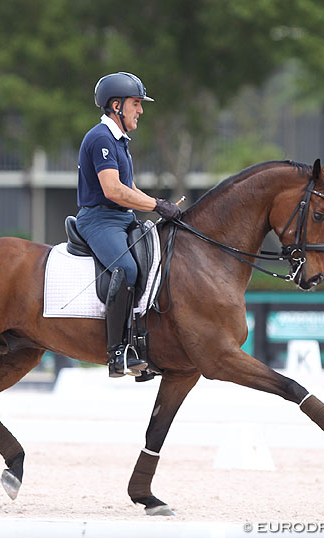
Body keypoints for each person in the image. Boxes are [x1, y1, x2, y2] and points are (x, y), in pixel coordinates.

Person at [75, 72, 181, 377]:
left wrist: (160, 205)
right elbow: (113, 190)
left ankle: (145, 347)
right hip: (99, 219)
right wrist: (158, 205)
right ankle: (117, 353)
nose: (141, 110)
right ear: (117, 105)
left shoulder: (120, 141)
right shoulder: (100, 138)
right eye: (137, 103)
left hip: (122, 217)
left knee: (156, 264)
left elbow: (130, 189)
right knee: (129, 270)